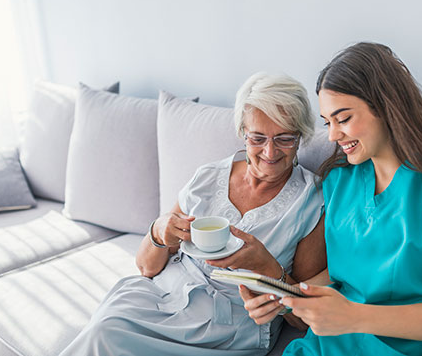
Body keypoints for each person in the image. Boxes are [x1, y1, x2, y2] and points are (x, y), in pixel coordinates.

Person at [240, 42, 422, 356]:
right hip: (328, 346)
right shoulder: (340, 181)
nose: (333, 136)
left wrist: (354, 316)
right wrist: (288, 298)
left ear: (386, 107)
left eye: (343, 119)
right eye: (328, 122)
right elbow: (342, 277)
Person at [58, 72, 326, 356]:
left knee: (108, 337)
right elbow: (147, 268)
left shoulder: (310, 201)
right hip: (163, 295)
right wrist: (160, 230)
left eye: (284, 138)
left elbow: (303, 319)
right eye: (257, 138)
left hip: (227, 326)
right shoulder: (209, 177)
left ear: (300, 137)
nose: (269, 152)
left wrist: (267, 268)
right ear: (242, 133)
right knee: (107, 325)